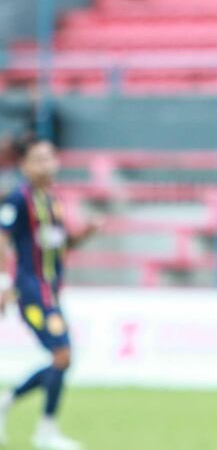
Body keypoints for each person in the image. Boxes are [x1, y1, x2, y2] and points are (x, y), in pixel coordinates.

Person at [0, 137, 101, 450]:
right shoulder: (18, 199)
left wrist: (82, 235)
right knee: (62, 354)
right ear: (25, 166)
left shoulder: (53, 200)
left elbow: (58, 246)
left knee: (62, 356)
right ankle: (45, 431)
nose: (47, 164)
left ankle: (16, 408)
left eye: (50, 158)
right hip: (31, 290)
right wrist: (5, 283)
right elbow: (1, 238)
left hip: (52, 290)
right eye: (39, 159)